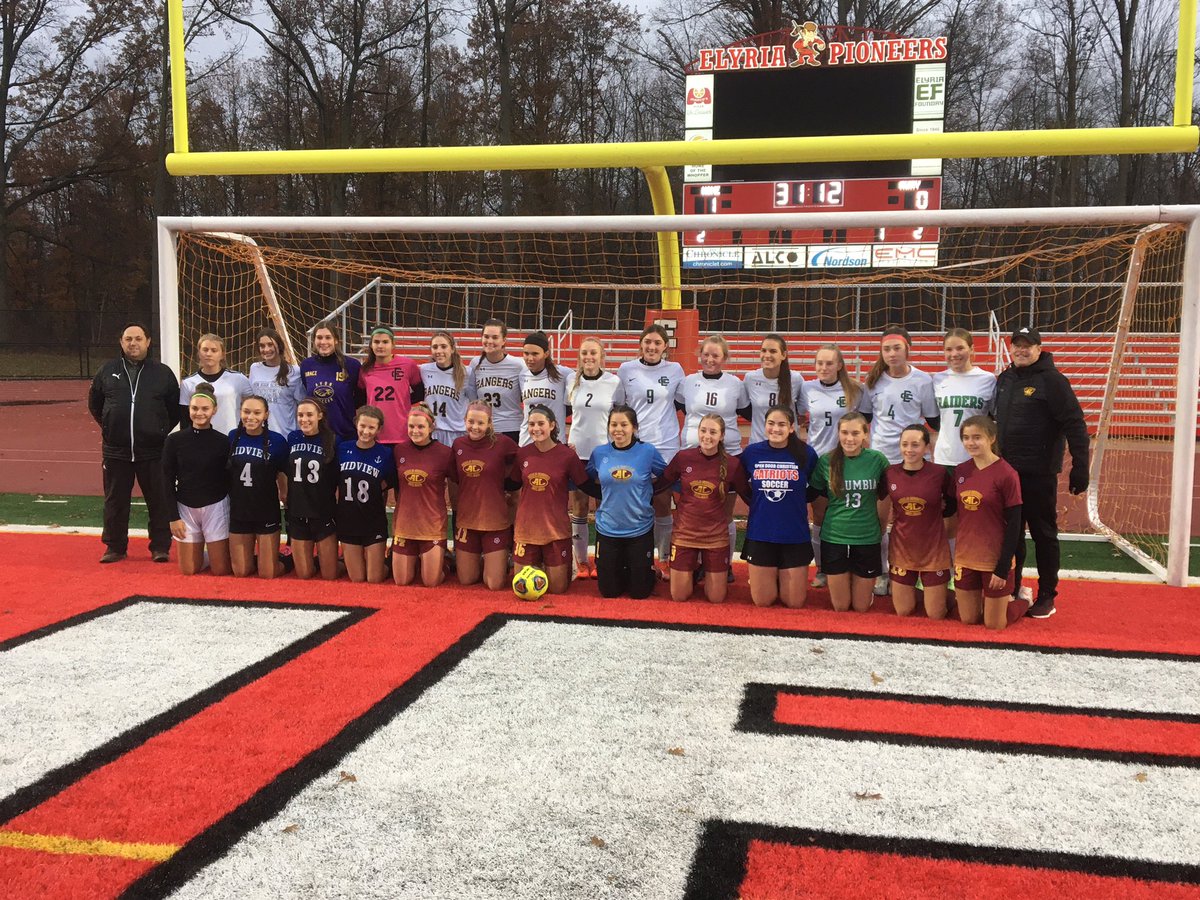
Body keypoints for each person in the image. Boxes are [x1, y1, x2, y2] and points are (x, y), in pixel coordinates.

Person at [994, 326, 1090, 619]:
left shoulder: (1054, 381)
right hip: (1007, 475)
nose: (1022, 350)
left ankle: (1048, 594)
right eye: (1017, 345)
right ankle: (1015, 586)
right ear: (1011, 348)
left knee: (1043, 534)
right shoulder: (1005, 379)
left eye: (1028, 345)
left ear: (1039, 348)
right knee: (1011, 536)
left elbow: (1075, 425)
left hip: (1038, 474)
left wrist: (1080, 467)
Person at [87, 321, 180, 564]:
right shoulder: (107, 371)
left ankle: (160, 546)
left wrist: (157, 430)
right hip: (116, 452)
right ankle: (115, 547)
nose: (133, 343)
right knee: (115, 501)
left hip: (153, 450)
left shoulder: (162, 373)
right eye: (128, 339)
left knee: (158, 500)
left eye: (138, 339)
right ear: (121, 342)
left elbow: (173, 409)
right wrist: (111, 427)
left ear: (148, 342)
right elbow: (96, 405)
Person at [864, 325, 940, 597]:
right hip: (882, 460)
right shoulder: (873, 381)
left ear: (908, 348)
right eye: (886, 349)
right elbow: (865, 419)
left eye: (897, 348)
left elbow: (932, 420)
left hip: (913, 460)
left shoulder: (922, 380)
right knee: (879, 520)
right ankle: (883, 572)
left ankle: (920, 570)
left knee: (915, 519)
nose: (892, 353)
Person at [617, 324, 686, 575]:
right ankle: (635, 556)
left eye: (657, 343)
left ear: (665, 346)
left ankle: (664, 558)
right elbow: (621, 409)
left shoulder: (675, 369)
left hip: (666, 445)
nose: (652, 347)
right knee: (634, 502)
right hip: (635, 446)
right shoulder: (626, 370)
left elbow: (682, 404)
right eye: (648, 342)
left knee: (662, 502)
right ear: (640, 344)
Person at [659, 414, 748, 604]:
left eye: (713, 432)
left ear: (722, 436)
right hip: (685, 534)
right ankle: (693, 568)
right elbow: (661, 483)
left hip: (715, 537)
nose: (707, 436)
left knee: (716, 598)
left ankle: (702, 568)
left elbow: (749, 496)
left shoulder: (733, 464)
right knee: (679, 596)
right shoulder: (683, 457)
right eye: (703, 431)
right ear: (697, 432)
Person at [677, 335, 746, 575]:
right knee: (694, 510)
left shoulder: (735, 383)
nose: (710, 359)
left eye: (716, 355)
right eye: (706, 354)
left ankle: (724, 565)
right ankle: (694, 563)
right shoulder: (688, 381)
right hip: (692, 454)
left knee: (724, 513)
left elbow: (746, 410)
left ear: (725, 358)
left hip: (727, 454)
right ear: (699, 355)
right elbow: (678, 406)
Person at [739, 405, 820, 608]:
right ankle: (769, 576)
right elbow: (741, 485)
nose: (776, 429)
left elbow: (817, 486)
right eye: (771, 424)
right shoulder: (752, 453)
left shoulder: (806, 454)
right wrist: (758, 503)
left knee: (794, 602)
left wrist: (798, 500)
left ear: (792, 428)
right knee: (763, 601)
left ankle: (779, 576)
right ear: (764, 425)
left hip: (794, 534)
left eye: (782, 424)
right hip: (761, 533)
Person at [801, 343, 868, 589]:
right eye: (820, 363)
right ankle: (822, 568)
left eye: (829, 363)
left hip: (848, 460)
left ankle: (856, 566)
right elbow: (799, 416)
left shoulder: (855, 390)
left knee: (850, 514)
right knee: (820, 516)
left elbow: (864, 422)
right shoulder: (807, 388)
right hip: (819, 460)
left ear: (840, 365)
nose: (824, 367)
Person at [810, 412, 890, 613]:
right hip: (834, 537)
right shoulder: (826, 461)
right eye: (844, 432)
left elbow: (886, 495)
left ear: (865, 434)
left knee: (861, 607)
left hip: (867, 538)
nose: (849, 438)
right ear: (838, 433)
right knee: (841, 606)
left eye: (855, 433)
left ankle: (865, 591)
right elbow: (817, 498)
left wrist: (881, 527)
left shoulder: (877, 460)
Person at [585, 405, 666, 599]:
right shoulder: (599, 453)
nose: (618, 430)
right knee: (609, 591)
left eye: (624, 424)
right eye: (614, 425)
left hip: (639, 528)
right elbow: (588, 477)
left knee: (640, 593)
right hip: (608, 528)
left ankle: (650, 572)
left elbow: (666, 476)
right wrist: (604, 494)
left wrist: (647, 493)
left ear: (634, 428)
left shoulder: (647, 451)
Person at [510, 405, 589, 595]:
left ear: (552, 425)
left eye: (541, 424)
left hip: (556, 531)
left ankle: (561, 565)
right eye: (531, 424)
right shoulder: (523, 454)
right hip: (526, 531)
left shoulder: (568, 455)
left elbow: (585, 485)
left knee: (557, 590)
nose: (536, 428)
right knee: (522, 589)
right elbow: (510, 484)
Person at [954, 415, 1024, 630]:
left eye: (977, 437)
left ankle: (1023, 603)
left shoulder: (1007, 474)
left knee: (994, 625)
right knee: (968, 619)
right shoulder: (960, 471)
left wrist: (1002, 568)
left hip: (993, 559)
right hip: (966, 557)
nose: (971, 443)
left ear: (991, 438)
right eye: (966, 438)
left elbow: (1015, 524)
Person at [567, 337, 624, 579]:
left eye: (593, 353)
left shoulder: (614, 381)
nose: (588, 357)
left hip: (604, 454)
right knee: (579, 506)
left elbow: (621, 414)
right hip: (577, 453)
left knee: (605, 507)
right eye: (584, 353)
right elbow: (565, 412)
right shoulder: (571, 380)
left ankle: (602, 559)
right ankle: (581, 562)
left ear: (602, 356)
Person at [885, 425, 955, 618]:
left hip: (933, 550)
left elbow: (952, 504)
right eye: (905, 444)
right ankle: (922, 593)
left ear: (926, 447)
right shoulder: (890, 473)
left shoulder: (939, 473)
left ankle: (950, 596)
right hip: (902, 549)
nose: (909, 449)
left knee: (935, 615)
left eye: (915, 445)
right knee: (903, 611)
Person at [162, 384, 231, 575]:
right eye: (194, 408)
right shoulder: (174, 441)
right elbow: (166, 480)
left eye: (205, 409)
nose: (199, 413)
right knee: (188, 570)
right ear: (189, 409)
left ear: (214, 410)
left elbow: (229, 479)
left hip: (216, 507)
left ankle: (219, 553)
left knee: (221, 570)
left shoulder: (223, 441)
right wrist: (173, 518)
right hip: (186, 508)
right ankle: (201, 553)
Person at [452, 402, 519, 590]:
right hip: (467, 520)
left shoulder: (503, 443)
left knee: (494, 584)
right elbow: (453, 476)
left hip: (495, 521)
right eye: (471, 421)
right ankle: (484, 560)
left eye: (480, 423)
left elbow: (524, 459)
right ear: (464, 420)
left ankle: (495, 561)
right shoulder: (458, 445)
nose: (475, 427)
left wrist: (510, 487)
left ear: (489, 423)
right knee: (466, 579)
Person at [392, 404, 455, 587]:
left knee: (430, 582)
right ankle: (418, 560)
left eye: (420, 426)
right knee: (402, 581)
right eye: (411, 426)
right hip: (405, 524)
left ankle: (446, 562)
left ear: (431, 427)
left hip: (431, 524)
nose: (415, 431)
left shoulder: (444, 453)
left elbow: (457, 481)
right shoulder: (399, 450)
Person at [227, 395, 289, 578]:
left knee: (268, 573)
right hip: (240, 509)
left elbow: (283, 472)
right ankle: (256, 557)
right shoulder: (232, 437)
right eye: (246, 412)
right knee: (241, 571)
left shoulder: (277, 441)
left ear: (266, 415)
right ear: (240, 413)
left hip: (265, 510)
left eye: (257, 412)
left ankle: (288, 560)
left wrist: (284, 494)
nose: (250, 417)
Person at [337, 406, 397, 584]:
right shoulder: (342, 448)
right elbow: (335, 479)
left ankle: (391, 562)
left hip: (373, 520)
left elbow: (391, 481)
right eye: (363, 426)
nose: (366, 431)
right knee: (357, 578)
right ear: (356, 424)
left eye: (371, 428)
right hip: (348, 519)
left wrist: (378, 488)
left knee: (374, 579)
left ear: (379, 430)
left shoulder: (385, 453)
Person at [286, 398, 341, 580]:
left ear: (320, 416)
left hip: (323, 511)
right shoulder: (292, 438)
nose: (304, 419)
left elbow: (339, 477)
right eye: (300, 415)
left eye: (309, 415)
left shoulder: (333, 440)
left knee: (329, 575)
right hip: (298, 511)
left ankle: (345, 561)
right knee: (304, 574)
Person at [932, 328, 997, 469]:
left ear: (972, 349)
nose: (954, 354)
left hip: (976, 457)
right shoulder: (938, 379)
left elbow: (992, 417)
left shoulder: (987, 379)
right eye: (949, 349)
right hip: (945, 457)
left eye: (960, 348)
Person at [359, 326, 424, 446]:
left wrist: (404, 401)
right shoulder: (365, 370)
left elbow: (420, 393)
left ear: (393, 344)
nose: (380, 346)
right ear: (371, 345)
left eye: (385, 342)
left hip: (402, 434)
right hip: (374, 435)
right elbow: (361, 400)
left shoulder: (408, 365)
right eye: (376, 342)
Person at [179, 333, 252, 435]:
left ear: (222, 354)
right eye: (205, 350)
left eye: (214, 350)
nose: (209, 354)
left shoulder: (239, 379)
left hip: (231, 438)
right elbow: (185, 419)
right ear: (199, 353)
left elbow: (253, 406)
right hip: (200, 440)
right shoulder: (188, 383)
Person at [301, 323, 363, 441]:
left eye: (328, 337)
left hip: (345, 434)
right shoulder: (306, 365)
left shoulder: (352, 365)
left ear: (336, 340)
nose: (323, 342)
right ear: (314, 341)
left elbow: (360, 398)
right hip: (316, 434)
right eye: (319, 337)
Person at [742, 333, 806, 444]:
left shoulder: (796, 379)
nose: (767, 355)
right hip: (759, 444)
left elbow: (800, 411)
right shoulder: (750, 378)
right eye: (763, 350)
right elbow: (745, 408)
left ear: (783, 355)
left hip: (789, 445)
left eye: (773, 351)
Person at [472, 318, 527, 441]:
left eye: (495, 337)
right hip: (484, 428)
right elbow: (472, 398)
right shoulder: (475, 364)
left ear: (504, 340)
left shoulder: (518, 365)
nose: (490, 341)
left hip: (511, 429)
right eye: (486, 336)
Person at [518, 331, 573, 446]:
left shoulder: (563, 374)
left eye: (535, 354)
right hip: (527, 442)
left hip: (555, 441)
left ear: (546, 354)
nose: (530, 358)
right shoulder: (522, 375)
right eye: (526, 353)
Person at [248, 327, 306, 436]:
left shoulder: (294, 371)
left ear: (279, 345)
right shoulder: (254, 368)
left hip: (285, 434)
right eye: (262, 346)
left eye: (270, 344)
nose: (266, 349)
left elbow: (302, 405)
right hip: (259, 435)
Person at [420, 330, 473, 446]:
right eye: (435, 347)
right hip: (433, 431)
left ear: (452, 349)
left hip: (457, 432)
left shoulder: (466, 373)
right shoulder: (424, 370)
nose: (439, 351)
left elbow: (473, 402)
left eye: (443, 346)